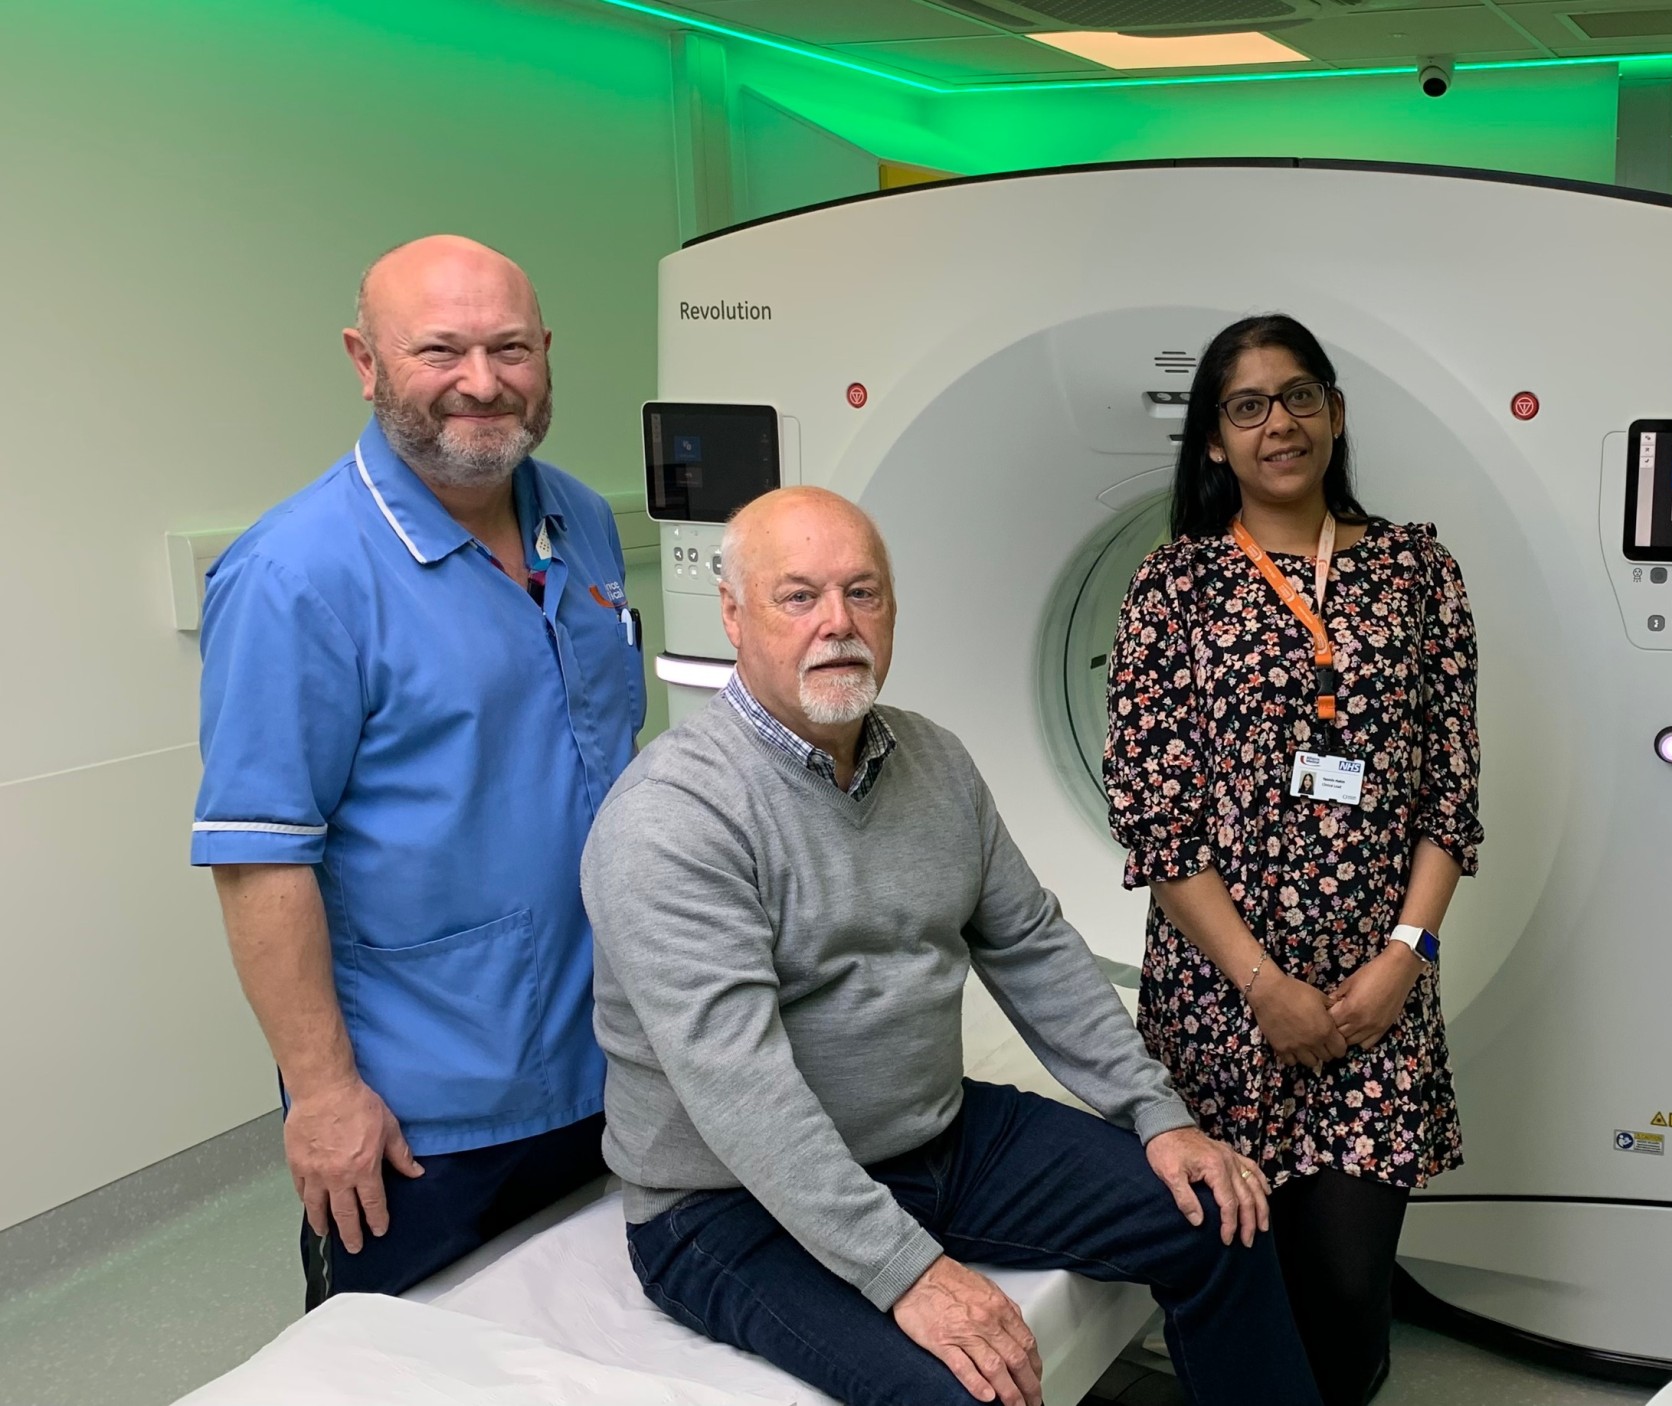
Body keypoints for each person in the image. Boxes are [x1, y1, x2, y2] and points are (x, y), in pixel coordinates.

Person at [580, 486, 1322, 1406]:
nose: (838, 625)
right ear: (733, 614)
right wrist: (907, 1272)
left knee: (1221, 1218)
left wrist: (1155, 1111)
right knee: (970, 1390)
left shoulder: (935, 762)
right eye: (799, 596)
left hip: (936, 1141)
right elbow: (741, 1091)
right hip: (729, 1205)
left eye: (864, 592)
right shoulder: (674, 817)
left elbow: (1035, 947)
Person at [193, 236, 643, 1307]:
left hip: (612, 1059)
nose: (482, 382)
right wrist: (325, 1092)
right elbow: (260, 858)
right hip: (418, 1110)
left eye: (510, 348)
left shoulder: (578, 521)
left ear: (546, 354)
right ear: (364, 359)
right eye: (439, 349)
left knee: (595, 1347)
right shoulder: (295, 576)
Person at [1103, 314, 1483, 1404]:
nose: (1282, 423)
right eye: (1249, 405)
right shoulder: (1171, 585)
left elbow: (1449, 790)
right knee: (1238, 1280)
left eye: (1301, 395)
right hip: (1226, 998)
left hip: (1378, 993)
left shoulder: (1420, 570)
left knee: (1349, 1283)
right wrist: (1263, 985)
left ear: (1336, 413)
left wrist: (1402, 957)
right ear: (1214, 442)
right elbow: (1157, 816)